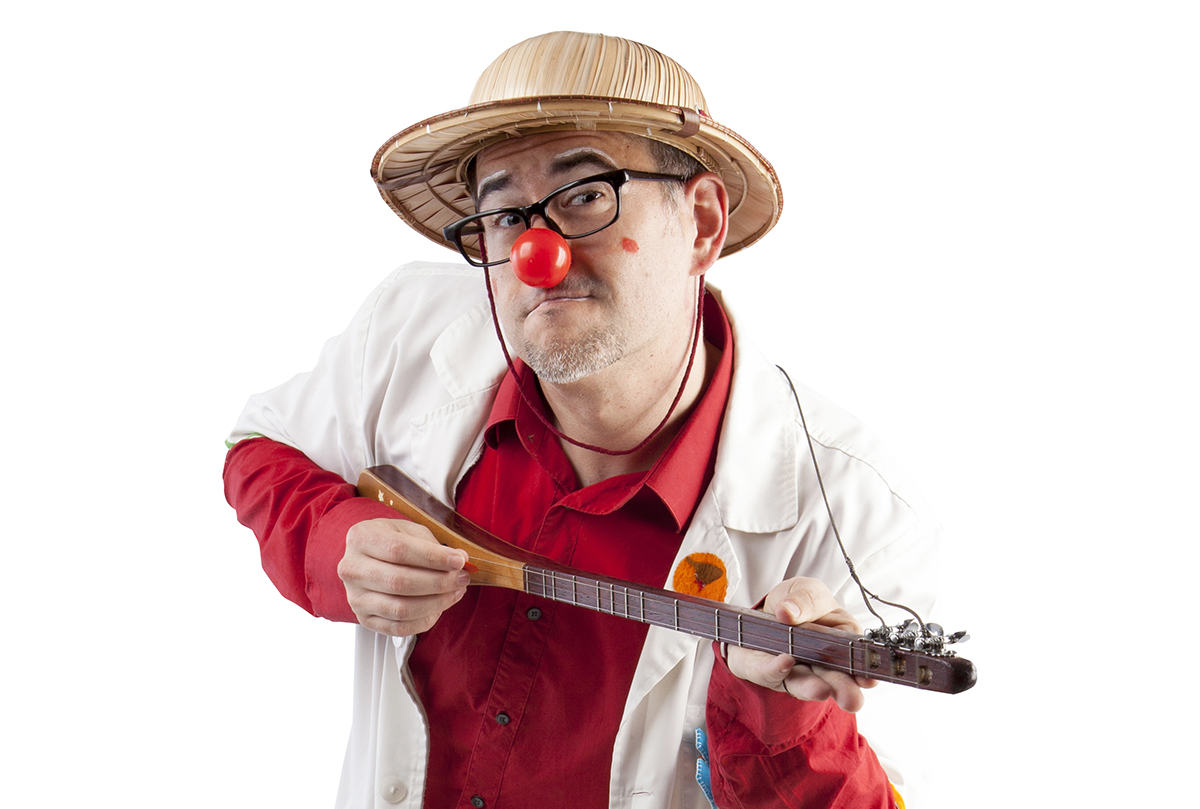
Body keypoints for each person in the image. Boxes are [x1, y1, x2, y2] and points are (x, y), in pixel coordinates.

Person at [224, 31, 940, 809]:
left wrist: (781, 716)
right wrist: (336, 542)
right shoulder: (409, 327)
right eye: (503, 214)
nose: (538, 253)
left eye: (587, 195)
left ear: (701, 223)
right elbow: (261, 448)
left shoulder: (855, 514)